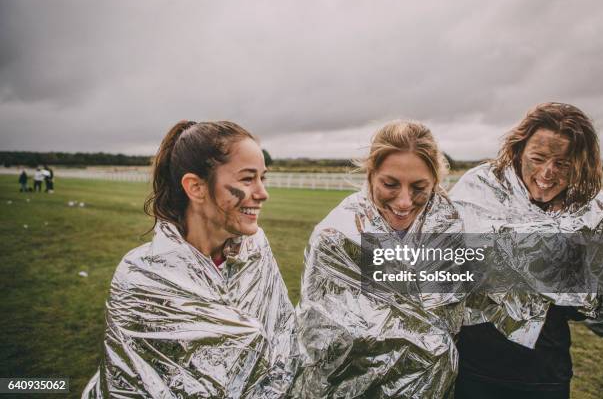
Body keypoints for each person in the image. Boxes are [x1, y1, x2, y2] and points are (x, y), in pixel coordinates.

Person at [83, 121, 297, 398]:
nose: (262, 193)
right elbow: (131, 385)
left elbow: (284, 340)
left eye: (262, 178)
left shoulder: (256, 250)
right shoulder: (141, 276)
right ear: (196, 187)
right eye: (247, 179)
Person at [291, 121, 466, 398]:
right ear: (371, 175)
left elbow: (452, 321)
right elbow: (318, 336)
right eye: (390, 184)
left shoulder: (449, 228)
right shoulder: (336, 236)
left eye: (419, 187)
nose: (404, 202)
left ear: (435, 182)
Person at [450, 103, 603, 399]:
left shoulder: (590, 210)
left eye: (562, 164)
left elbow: (590, 309)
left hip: (544, 372)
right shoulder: (478, 189)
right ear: (519, 150)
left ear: (579, 163)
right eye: (537, 158)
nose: (547, 173)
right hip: (474, 366)